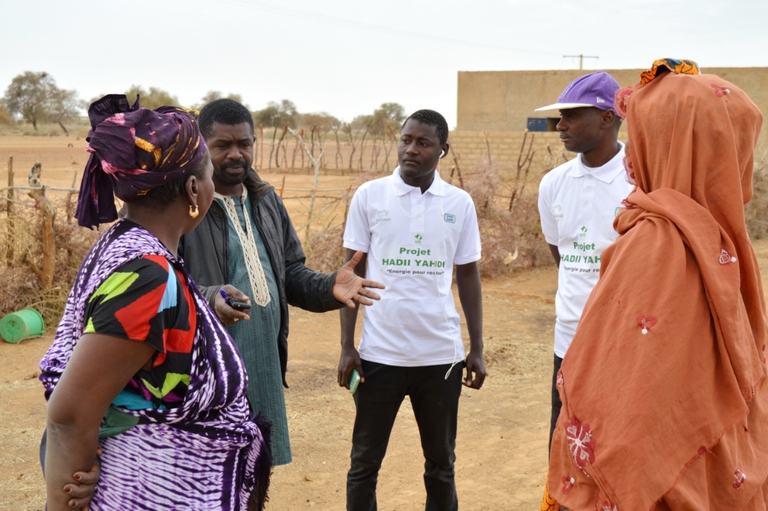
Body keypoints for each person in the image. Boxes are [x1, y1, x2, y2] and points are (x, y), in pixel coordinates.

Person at [548, 60, 768, 509]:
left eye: (644, 135)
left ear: (667, 144)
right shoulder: (724, 237)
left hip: (664, 480)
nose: (633, 153)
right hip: (720, 468)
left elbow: (622, 415)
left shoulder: (654, 241)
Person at [40, 95, 271, 511]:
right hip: (148, 493)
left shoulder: (127, 246)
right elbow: (70, 416)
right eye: (208, 174)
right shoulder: (149, 277)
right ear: (193, 189)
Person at [180, 98, 383, 467]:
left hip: (263, 367)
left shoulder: (266, 201)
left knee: (255, 474)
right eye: (223, 145)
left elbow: (291, 274)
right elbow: (167, 284)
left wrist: (328, 287)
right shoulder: (186, 206)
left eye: (245, 143)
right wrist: (211, 298)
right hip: (210, 371)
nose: (236, 154)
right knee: (213, 476)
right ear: (201, 146)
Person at [337, 109, 487, 511]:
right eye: (406, 140)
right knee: (364, 464)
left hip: (440, 357)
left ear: (443, 150)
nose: (411, 149)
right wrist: (347, 346)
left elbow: (469, 274)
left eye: (423, 143)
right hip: (378, 357)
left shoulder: (459, 203)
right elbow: (352, 274)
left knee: (441, 464)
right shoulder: (370, 196)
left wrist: (477, 347)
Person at [535, 71, 632, 451]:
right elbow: (560, 252)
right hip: (569, 338)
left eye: (572, 115)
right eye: (561, 116)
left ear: (607, 118)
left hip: (623, 342)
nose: (561, 125)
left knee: (617, 446)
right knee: (564, 443)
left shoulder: (641, 182)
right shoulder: (553, 183)